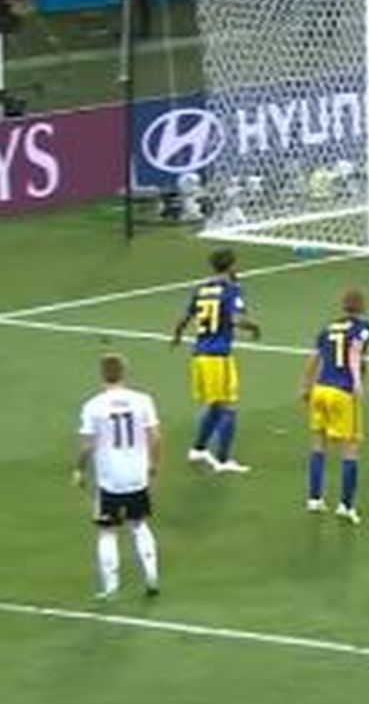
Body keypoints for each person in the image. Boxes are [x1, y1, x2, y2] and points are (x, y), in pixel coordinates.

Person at [75, 353, 161, 600]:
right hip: (137, 475)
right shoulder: (143, 400)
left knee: (107, 531)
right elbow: (155, 437)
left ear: (102, 375)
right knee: (139, 525)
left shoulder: (93, 406)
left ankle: (111, 587)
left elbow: (87, 445)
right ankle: (152, 576)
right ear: (124, 372)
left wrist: (79, 469)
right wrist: (153, 465)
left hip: (109, 480)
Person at [171, 248, 261, 474]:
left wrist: (177, 336)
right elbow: (236, 319)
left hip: (201, 355)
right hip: (217, 356)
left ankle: (198, 449)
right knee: (227, 407)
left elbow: (184, 317)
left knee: (214, 405)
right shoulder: (231, 290)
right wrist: (254, 327)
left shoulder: (201, 289)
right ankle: (223, 460)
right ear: (231, 265)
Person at [303, 288, 369, 524]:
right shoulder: (363, 328)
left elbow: (314, 358)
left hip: (321, 389)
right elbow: (356, 355)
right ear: (361, 307)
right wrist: (358, 383)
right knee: (350, 449)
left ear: (343, 306)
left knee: (318, 444)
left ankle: (314, 498)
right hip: (342, 392)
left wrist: (306, 386)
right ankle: (346, 505)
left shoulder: (327, 328)